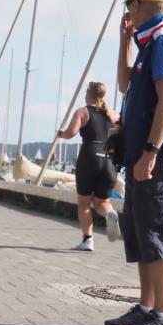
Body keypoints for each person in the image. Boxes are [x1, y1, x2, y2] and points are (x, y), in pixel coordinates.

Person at [104, 0, 163, 325]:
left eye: (130, 5)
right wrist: (124, 41)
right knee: (139, 232)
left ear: (141, 5)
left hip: (156, 154)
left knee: (154, 233)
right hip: (141, 152)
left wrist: (152, 152)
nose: (127, 12)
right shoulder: (147, 44)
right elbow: (124, 85)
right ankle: (145, 307)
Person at [57, 81, 121, 251]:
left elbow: (71, 133)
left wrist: (61, 134)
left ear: (89, 94)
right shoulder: (113, 115)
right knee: (102, 201)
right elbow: (118, 138)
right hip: (109, 159)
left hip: (89, 157)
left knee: (84, 203)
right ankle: (110, 214)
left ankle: (88, 240)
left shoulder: (83, 112)